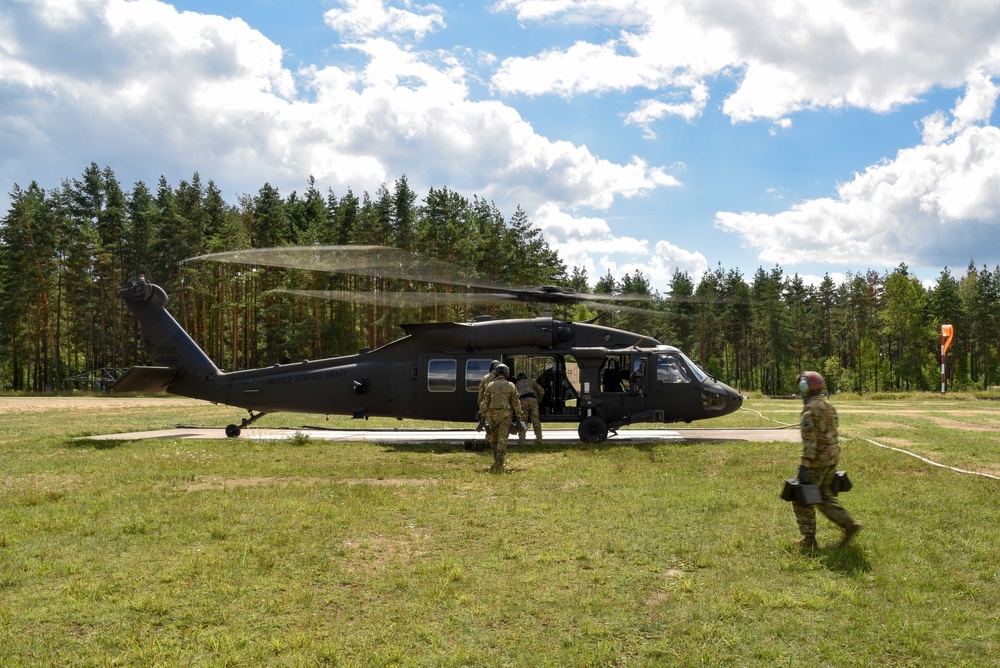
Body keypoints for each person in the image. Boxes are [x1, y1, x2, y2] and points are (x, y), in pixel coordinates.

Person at [792, 370, 862, 549]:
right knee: (823, 495)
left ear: (804, 387)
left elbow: (810, 441)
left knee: (802, 498)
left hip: (817, 460)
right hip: (832, 458)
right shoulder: (829, 407)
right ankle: (849, 524)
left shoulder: (810, 410)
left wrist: (805, 466)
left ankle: (809, 541)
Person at [479, 364, 524, 474]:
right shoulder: (511, 386)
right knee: (502, 439)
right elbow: (516, 402)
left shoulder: (490, 385)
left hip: (492, 416)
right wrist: (518, 416)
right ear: (506, 373)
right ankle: (499, 462)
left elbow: (484, 402)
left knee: (494, 438)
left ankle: (497, 459)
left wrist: (482, 416)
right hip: (505, 416)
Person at [515, 372, 545, 442]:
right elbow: (541, 390)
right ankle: (539, 438)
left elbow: (514, 395)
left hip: (523, 401)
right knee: (535, 420)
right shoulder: (531, 382)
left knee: (523, 421)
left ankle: (522, 439)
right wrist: (539, 399)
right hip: (533, 401)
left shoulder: (517, 384)